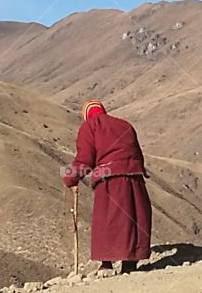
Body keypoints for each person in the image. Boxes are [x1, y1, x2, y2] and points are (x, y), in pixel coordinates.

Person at [62, 100, 152, 273]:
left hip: (110, 179)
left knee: (107, 220)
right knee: (132, 219)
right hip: (135, 178)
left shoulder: (90, 126)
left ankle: (106, 264)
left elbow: (85, 159)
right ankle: (130, 264)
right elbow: (138, 154)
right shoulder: (125, 125)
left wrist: (70, 177)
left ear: (87, 114)